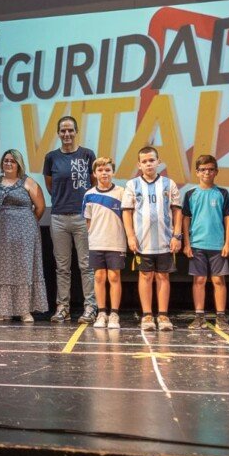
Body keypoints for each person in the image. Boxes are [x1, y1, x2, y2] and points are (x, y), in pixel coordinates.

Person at [43, 116, 97, 324]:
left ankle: (90, 307)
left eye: (70, 130)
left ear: (76, 132)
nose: (66, 134)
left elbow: (93, 185)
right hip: (58, 217)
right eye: (63, 131)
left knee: (86, 265)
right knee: (62, 266)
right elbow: (50, 185)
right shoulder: (51, 157)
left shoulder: (87, 155)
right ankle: (63, 307)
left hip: (82, 217)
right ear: (58, 133)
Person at [122, 146, 182, 331]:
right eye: (144, 161)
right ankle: (147, 315)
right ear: (139, 165)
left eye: (151, 160)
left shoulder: (168, 183)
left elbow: (177, 210)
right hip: (143, 241)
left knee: (163, 276)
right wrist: (130, 236)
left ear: (158, 161)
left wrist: (177, 235)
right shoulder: (132, 185)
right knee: (145, 276)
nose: (148, 164)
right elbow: (127, 212)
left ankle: (163, 315)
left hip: (165, 240)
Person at [0, 149, 47, 322]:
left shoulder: (28, 182)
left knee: (23, 269)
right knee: (0, 270)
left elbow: (40, 208)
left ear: (19, 164)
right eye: (6, 160)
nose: (9, 163)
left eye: (12, 161)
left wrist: (25, 224)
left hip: (24, 234)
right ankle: (1, 310)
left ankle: (24, 310)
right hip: (0, 234)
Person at [183, 155, 229, 331]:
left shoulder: (222, 193)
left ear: (216, 172)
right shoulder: (191, 194)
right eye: (203, 169)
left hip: (217, 246)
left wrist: (227, 243)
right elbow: (186, 219)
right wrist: (187, 243)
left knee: (218, 281)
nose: (207, 172)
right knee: (199, 280)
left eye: (211, 169)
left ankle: (221, 317)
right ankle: (199, 317)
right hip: (197, 244)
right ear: (197, 172)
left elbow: (228, 218)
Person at [82, 157, 126, 329]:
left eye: (107, 170)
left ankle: (114, 314)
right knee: (99, 277)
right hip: (96, 243)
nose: (104, 173)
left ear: (112, 172)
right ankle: (101, 313)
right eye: (100, 170)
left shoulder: (122, 192)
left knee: (114, 277)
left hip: (116, 242)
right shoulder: (89, 194)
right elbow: (88, 222)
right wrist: (94, 236)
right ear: (94, 173)